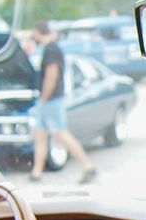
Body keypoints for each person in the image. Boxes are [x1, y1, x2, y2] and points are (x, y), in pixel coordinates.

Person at [27, 21, 96, 183]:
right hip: (48, 101)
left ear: (38, 32)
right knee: (40, 135)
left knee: (61, 134)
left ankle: (88, 167)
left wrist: (44, 98)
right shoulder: (51, 48)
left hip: (51, 101)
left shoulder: (51, 49)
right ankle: (36, 172)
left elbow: (52, 75)